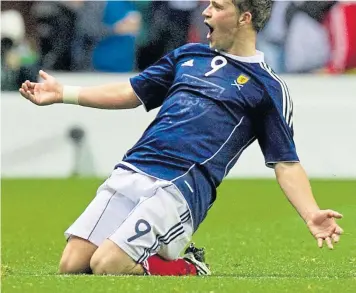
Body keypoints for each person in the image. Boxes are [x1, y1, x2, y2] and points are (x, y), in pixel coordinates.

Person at [19, 0, 344, 277]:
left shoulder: (267, 88)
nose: (205, 12)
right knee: (72, 264)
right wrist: (65, 93)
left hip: (179, 190)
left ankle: (187, 266)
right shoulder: (189, 56)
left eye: (217, 6)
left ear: (244, 18)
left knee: (107, 264)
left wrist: (310, 212)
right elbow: (131, 91)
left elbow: (285, 162)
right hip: (133, 170)